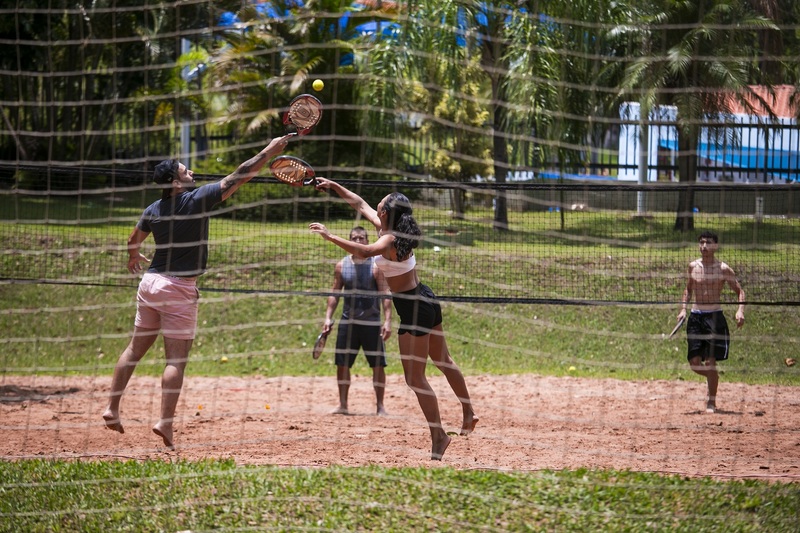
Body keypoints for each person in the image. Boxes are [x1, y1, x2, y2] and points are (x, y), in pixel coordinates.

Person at [102, 134, 292, 449]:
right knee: (176, 361)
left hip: (150, 284)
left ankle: (111, 408)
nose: (191, 174)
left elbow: (133, 240)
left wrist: (134, 256)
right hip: (179, 287)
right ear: (175, 182)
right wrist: (270, 151)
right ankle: (164, 421)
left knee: (135, 350)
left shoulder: (153, 208)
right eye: (186, 171)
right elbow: (239, 175)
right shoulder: (196, 198)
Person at [309, 180, 478, 460]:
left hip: (412, 308)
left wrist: (329, 236)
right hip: (426, 299)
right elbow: (358, 202)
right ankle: (469, 412)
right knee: (444, 361)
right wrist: (334, 186)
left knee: (415, 379)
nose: (377, 202)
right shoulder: (391, 230)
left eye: (383, 200)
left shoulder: (387, 239)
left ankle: (439, 436)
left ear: (386, 211)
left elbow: (362, 252)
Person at [322, 226, 393, 416]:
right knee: (342, 364)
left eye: (362, 238)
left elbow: (385, 294)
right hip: (348, 322)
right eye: (355, 238)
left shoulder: (376, 266)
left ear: (367, 240)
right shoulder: (341, 265)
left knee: (378, 365)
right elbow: (334, 294)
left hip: (371, 323)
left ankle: (380, 407)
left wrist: (387, 321)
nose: (358, 241)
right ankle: (343, 405)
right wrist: (328, 317)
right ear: (350, 241)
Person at [676, 230, 745, 414]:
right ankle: (713, 377)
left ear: (715, 245)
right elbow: (688, 290)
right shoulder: (693, 266)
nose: (704, 246)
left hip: (714, 317)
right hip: (696, 317)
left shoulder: (723, 269)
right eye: (701, 242)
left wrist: (740, 311)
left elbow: (740, 291)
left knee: (711, 361)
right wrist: (683, 309)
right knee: (694, 362)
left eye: (708, 243)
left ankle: (711, 402)